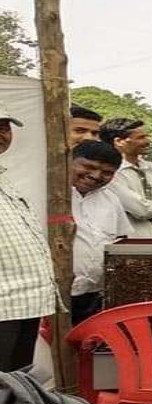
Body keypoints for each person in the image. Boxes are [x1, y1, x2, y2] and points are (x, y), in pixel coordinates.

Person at [0, 107, 56, 372]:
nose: (2, 134)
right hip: (4, 303)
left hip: (23, 303)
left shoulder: (4, 180)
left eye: (4, 127)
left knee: (17, 383)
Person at [69, 141, 131, 324]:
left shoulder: (110, 199)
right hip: (54, 294)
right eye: (88, 167)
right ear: (69, 161)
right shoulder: (48, 195)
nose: (96, 176)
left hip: (94, 294)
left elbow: (121, 240)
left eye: (107, 172)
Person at [101, 118, 152, 238]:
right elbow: (141, 210)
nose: (148, 141)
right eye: (141, 137)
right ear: (119, 141)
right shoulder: (109, 172)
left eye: (147, 136)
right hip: (129, 241)